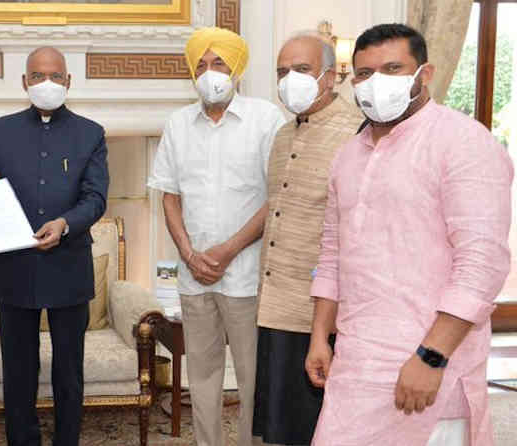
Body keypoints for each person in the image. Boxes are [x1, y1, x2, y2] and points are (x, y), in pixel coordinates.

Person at [306, 24, 512, 446]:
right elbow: (332, 253)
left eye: (393, 68)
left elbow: (481, 264)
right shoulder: (349, 153)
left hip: (427, 369)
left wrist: (431, 357)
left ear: (425, 73)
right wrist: (319, 338)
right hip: (356, 364)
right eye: (364, 73)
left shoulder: (463, 141)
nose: (376, 81)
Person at [147, 27, 286, 446]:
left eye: (219, 63)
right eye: (202, 65)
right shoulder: (177, 123)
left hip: (246, 276)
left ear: (237, 68)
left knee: (251, 379)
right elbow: (169, 196)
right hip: (194, 278)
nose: (210, 73)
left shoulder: (267, 119)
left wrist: (226, 251)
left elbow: (276, 197)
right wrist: (189, 255)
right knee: (202, 377)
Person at [0, 46, 109, 446]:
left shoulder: (91, 133)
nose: (45, 83)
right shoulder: (0, 129)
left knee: (69, 372)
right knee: (18, 372)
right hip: (16, 268)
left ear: (68, 82)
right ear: (24, 83)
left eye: (54, 76)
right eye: (36, 76)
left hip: (69, 267)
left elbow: (96, 198)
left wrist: (65, 224)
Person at [252, 33, 364, 446]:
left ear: (330, 76)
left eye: (301, 70)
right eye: (282, 72)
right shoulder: (283, 135)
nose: (289, 80)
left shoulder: (359, 132)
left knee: (321, 425)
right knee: (283, 427)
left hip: (324, 310)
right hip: (276, 304)